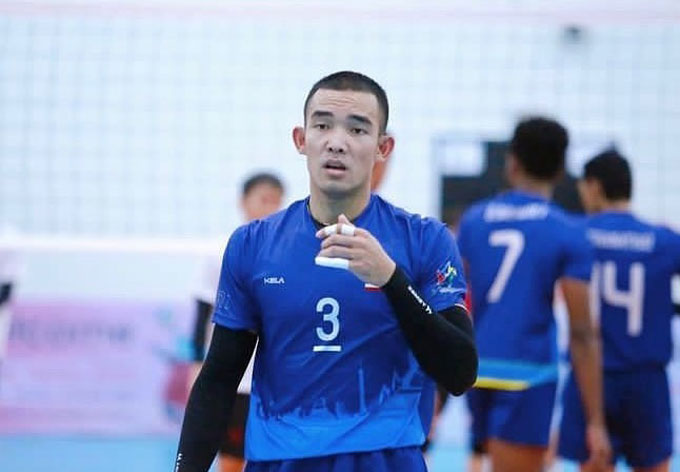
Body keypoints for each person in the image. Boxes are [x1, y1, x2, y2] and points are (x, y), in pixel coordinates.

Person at [174, 70, 478, 472]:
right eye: (322, 125)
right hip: (280, 462)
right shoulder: (252, 244)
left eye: (357, 129)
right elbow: (217, 380)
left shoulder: (425, 240)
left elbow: (460, 373)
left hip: (386, 463)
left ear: (383, 147)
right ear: (301, 140)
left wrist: (391, 280)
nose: (337, 141)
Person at [457, 117, 610, 472]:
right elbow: (582, 332)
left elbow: (454, 302)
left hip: (476, 370)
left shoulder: (474, 220)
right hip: (527, 374)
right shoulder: (566, 230)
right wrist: (596, 421)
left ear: (512, 163)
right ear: (560, 170)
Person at [558, 150, 677, 472]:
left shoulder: (575, 234)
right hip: (645, 380)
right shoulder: (663, 240)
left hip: (591, 378)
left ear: (594, 186)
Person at [189, 173, 284, 472]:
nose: (270, 207)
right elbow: (202, 317)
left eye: (276, 201)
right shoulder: (219, 253)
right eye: (263, 199)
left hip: (277, 382)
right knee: (231, 460)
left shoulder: (289, 255)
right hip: (237, 380)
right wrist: (196, 369)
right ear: (244, 202)